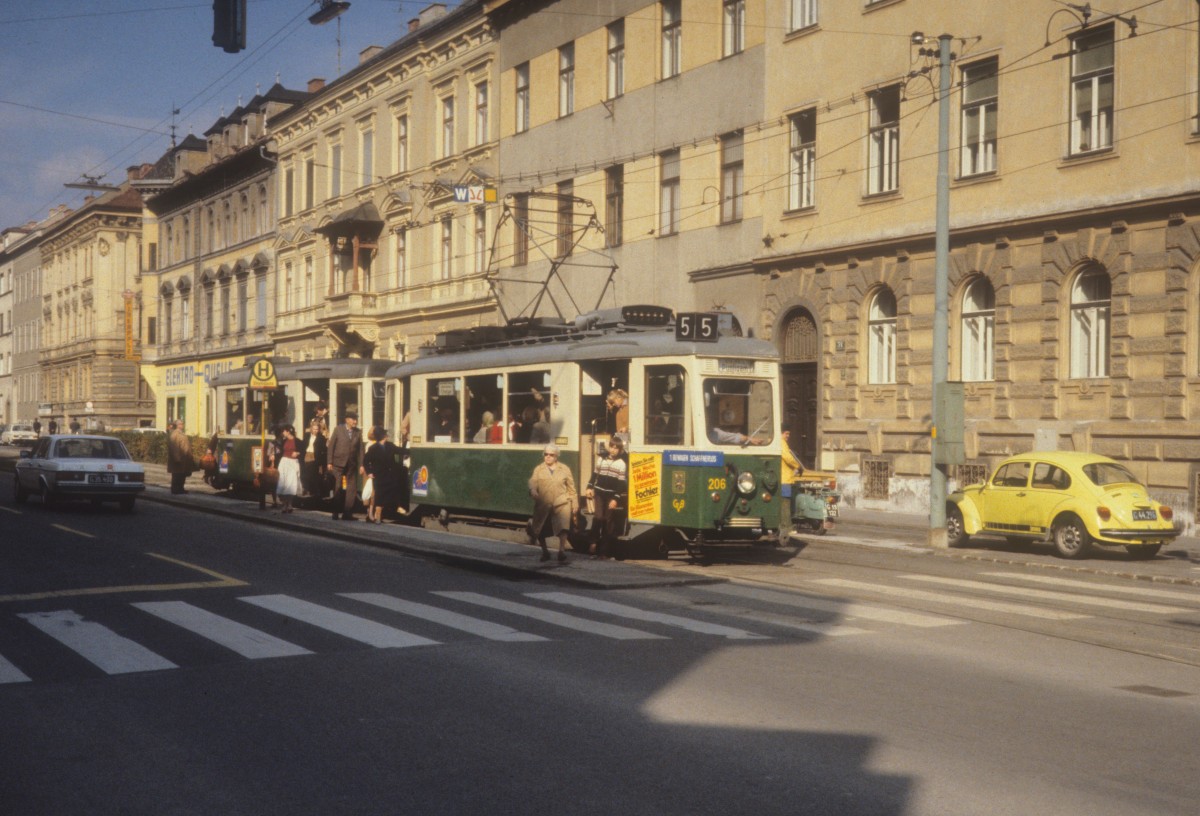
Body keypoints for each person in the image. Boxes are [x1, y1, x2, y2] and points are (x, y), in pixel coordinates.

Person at [527, 443, 579, 563]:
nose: (548, 457)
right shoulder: (539, 469)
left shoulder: (565, 469)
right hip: (544, 503)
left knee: (563, 527)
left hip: (561, 502)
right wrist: (533, 490)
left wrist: (574, 503)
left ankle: (561, 551)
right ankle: (545, 552)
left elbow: (571, 488)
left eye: (551, 455)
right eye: (546, 454)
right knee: (539, 529)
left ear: (556, 457)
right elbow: (532, 482)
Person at [586, 433, 628, 559]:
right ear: (609, 447)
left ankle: (604, 551)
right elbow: (594, 475)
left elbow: (621, 484)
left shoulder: (621, 464)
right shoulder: (601, 459)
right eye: (612, 447)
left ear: (620, 451)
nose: (613, 450)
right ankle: (593, 542)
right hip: (599, 493)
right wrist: (589, 487)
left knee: (608, 521)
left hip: (611, 495)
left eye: (616, 448)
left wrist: (616, 499)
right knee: (598, 517)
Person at [327, 411, 364, 520]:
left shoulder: (358, 432)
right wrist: (329, 462)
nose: (355, 421)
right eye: (353, 419)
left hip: (351, 464)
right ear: (347, 420)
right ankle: (335, 512)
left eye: (356, 419)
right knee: (338, 488)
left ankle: (347, 513)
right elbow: (331, 446)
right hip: (338, 463)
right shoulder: (338, 430)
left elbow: (361, 450)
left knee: (351, 489)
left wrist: (361, 465)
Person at [363, 427, 402, 523]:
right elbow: (366, 461)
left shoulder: (390, 446)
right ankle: (378, 516)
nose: (387, 436)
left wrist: (411, 450)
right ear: (383, 436)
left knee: (384, 495)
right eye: (386, 434)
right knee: (379, 495)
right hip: (378, 475)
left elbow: (401, 450)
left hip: (388, 475)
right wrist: (369, 472)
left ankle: (378, 514)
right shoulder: (373, 448)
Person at [300, 418, 328, 508]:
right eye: (314, 429)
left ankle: (312, 493)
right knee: (305, 473)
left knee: (312, 475)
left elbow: (323, 450)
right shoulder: (307, 436)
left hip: (314, 457)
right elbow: (303, 445)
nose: (315, 431)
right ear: (311, 429)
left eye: (317, 429)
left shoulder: (321, 438)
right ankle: (307, 489)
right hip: (306, 455)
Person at [275, 425, 301, 514]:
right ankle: (284, 504)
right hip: (284, 462)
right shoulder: (283, 441)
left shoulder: (297, 441)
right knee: (283, 483)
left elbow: (302, 451)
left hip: (293, 463)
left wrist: (297, 453)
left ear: (288, 432)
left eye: (284, 431)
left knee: (291, 484)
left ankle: (290, 504)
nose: (283, 433)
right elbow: (280, 451)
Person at [167, 419, 194, 495]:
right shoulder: (175, 434)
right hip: (179, 458)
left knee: (182, 474)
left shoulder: (182, 433)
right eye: (181, 424)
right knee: (177, 475)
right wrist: (177, 458)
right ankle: (175, 489)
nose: (182, 425)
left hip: (184, 458)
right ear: (177, 425)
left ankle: (181, 488)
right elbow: (173, 447)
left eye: (182, 424)